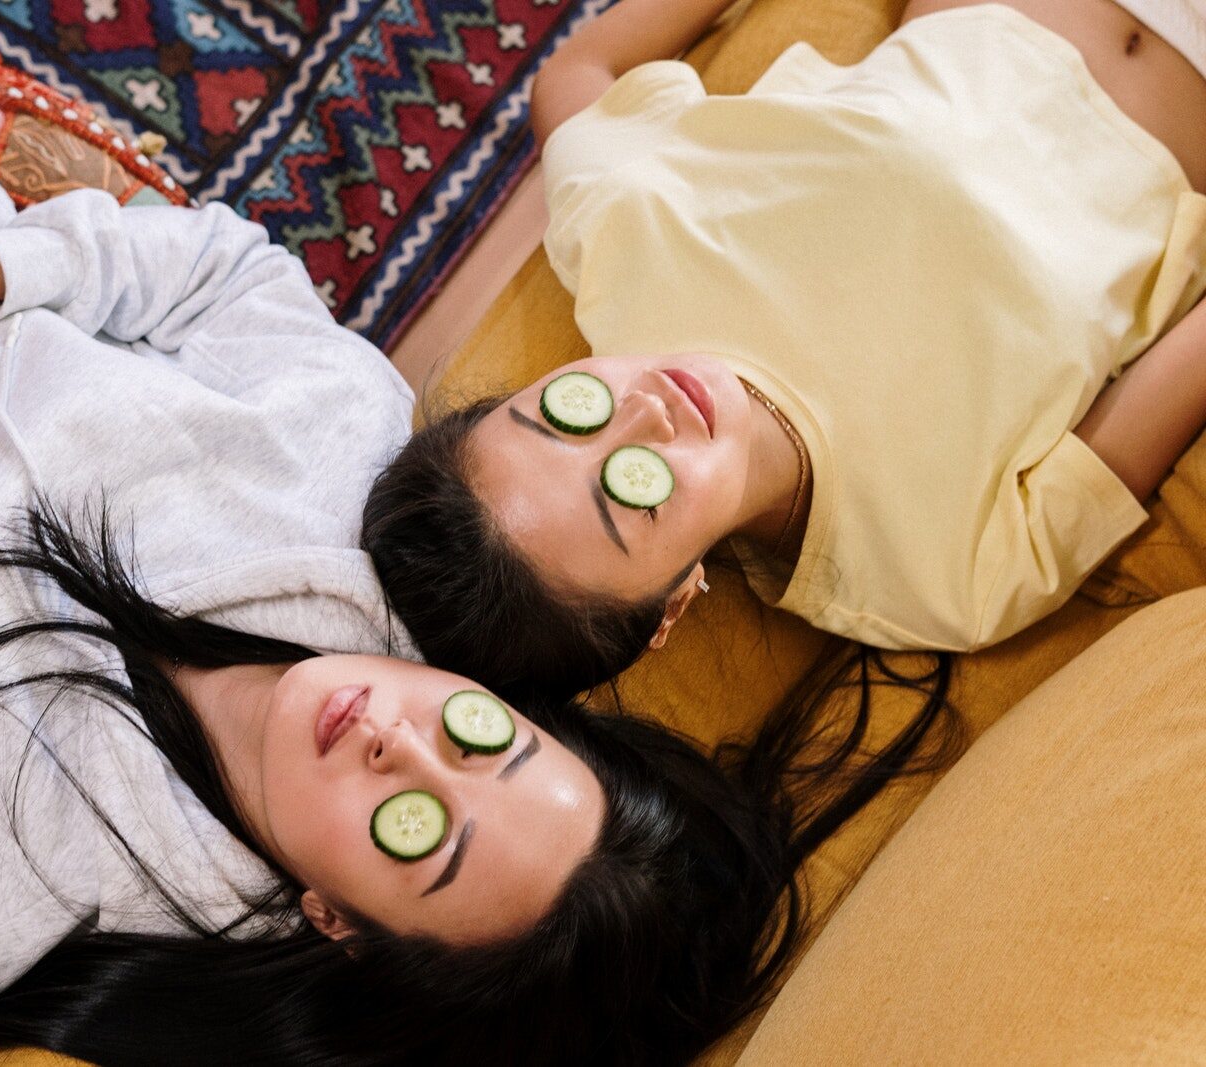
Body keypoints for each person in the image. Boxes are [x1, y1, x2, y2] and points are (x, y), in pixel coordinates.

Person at [0, 69, 958, 1066]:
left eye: (414, 828)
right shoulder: (352, 481)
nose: (402, 747)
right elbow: (216, 270)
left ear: (337, 920)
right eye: (483, 740)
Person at [362, 0, 1206, 702]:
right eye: (628, 490)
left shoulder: (624, 247)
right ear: (672, 605)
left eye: (560, 414)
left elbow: (574, 75)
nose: (643, 412)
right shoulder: (948, 583)